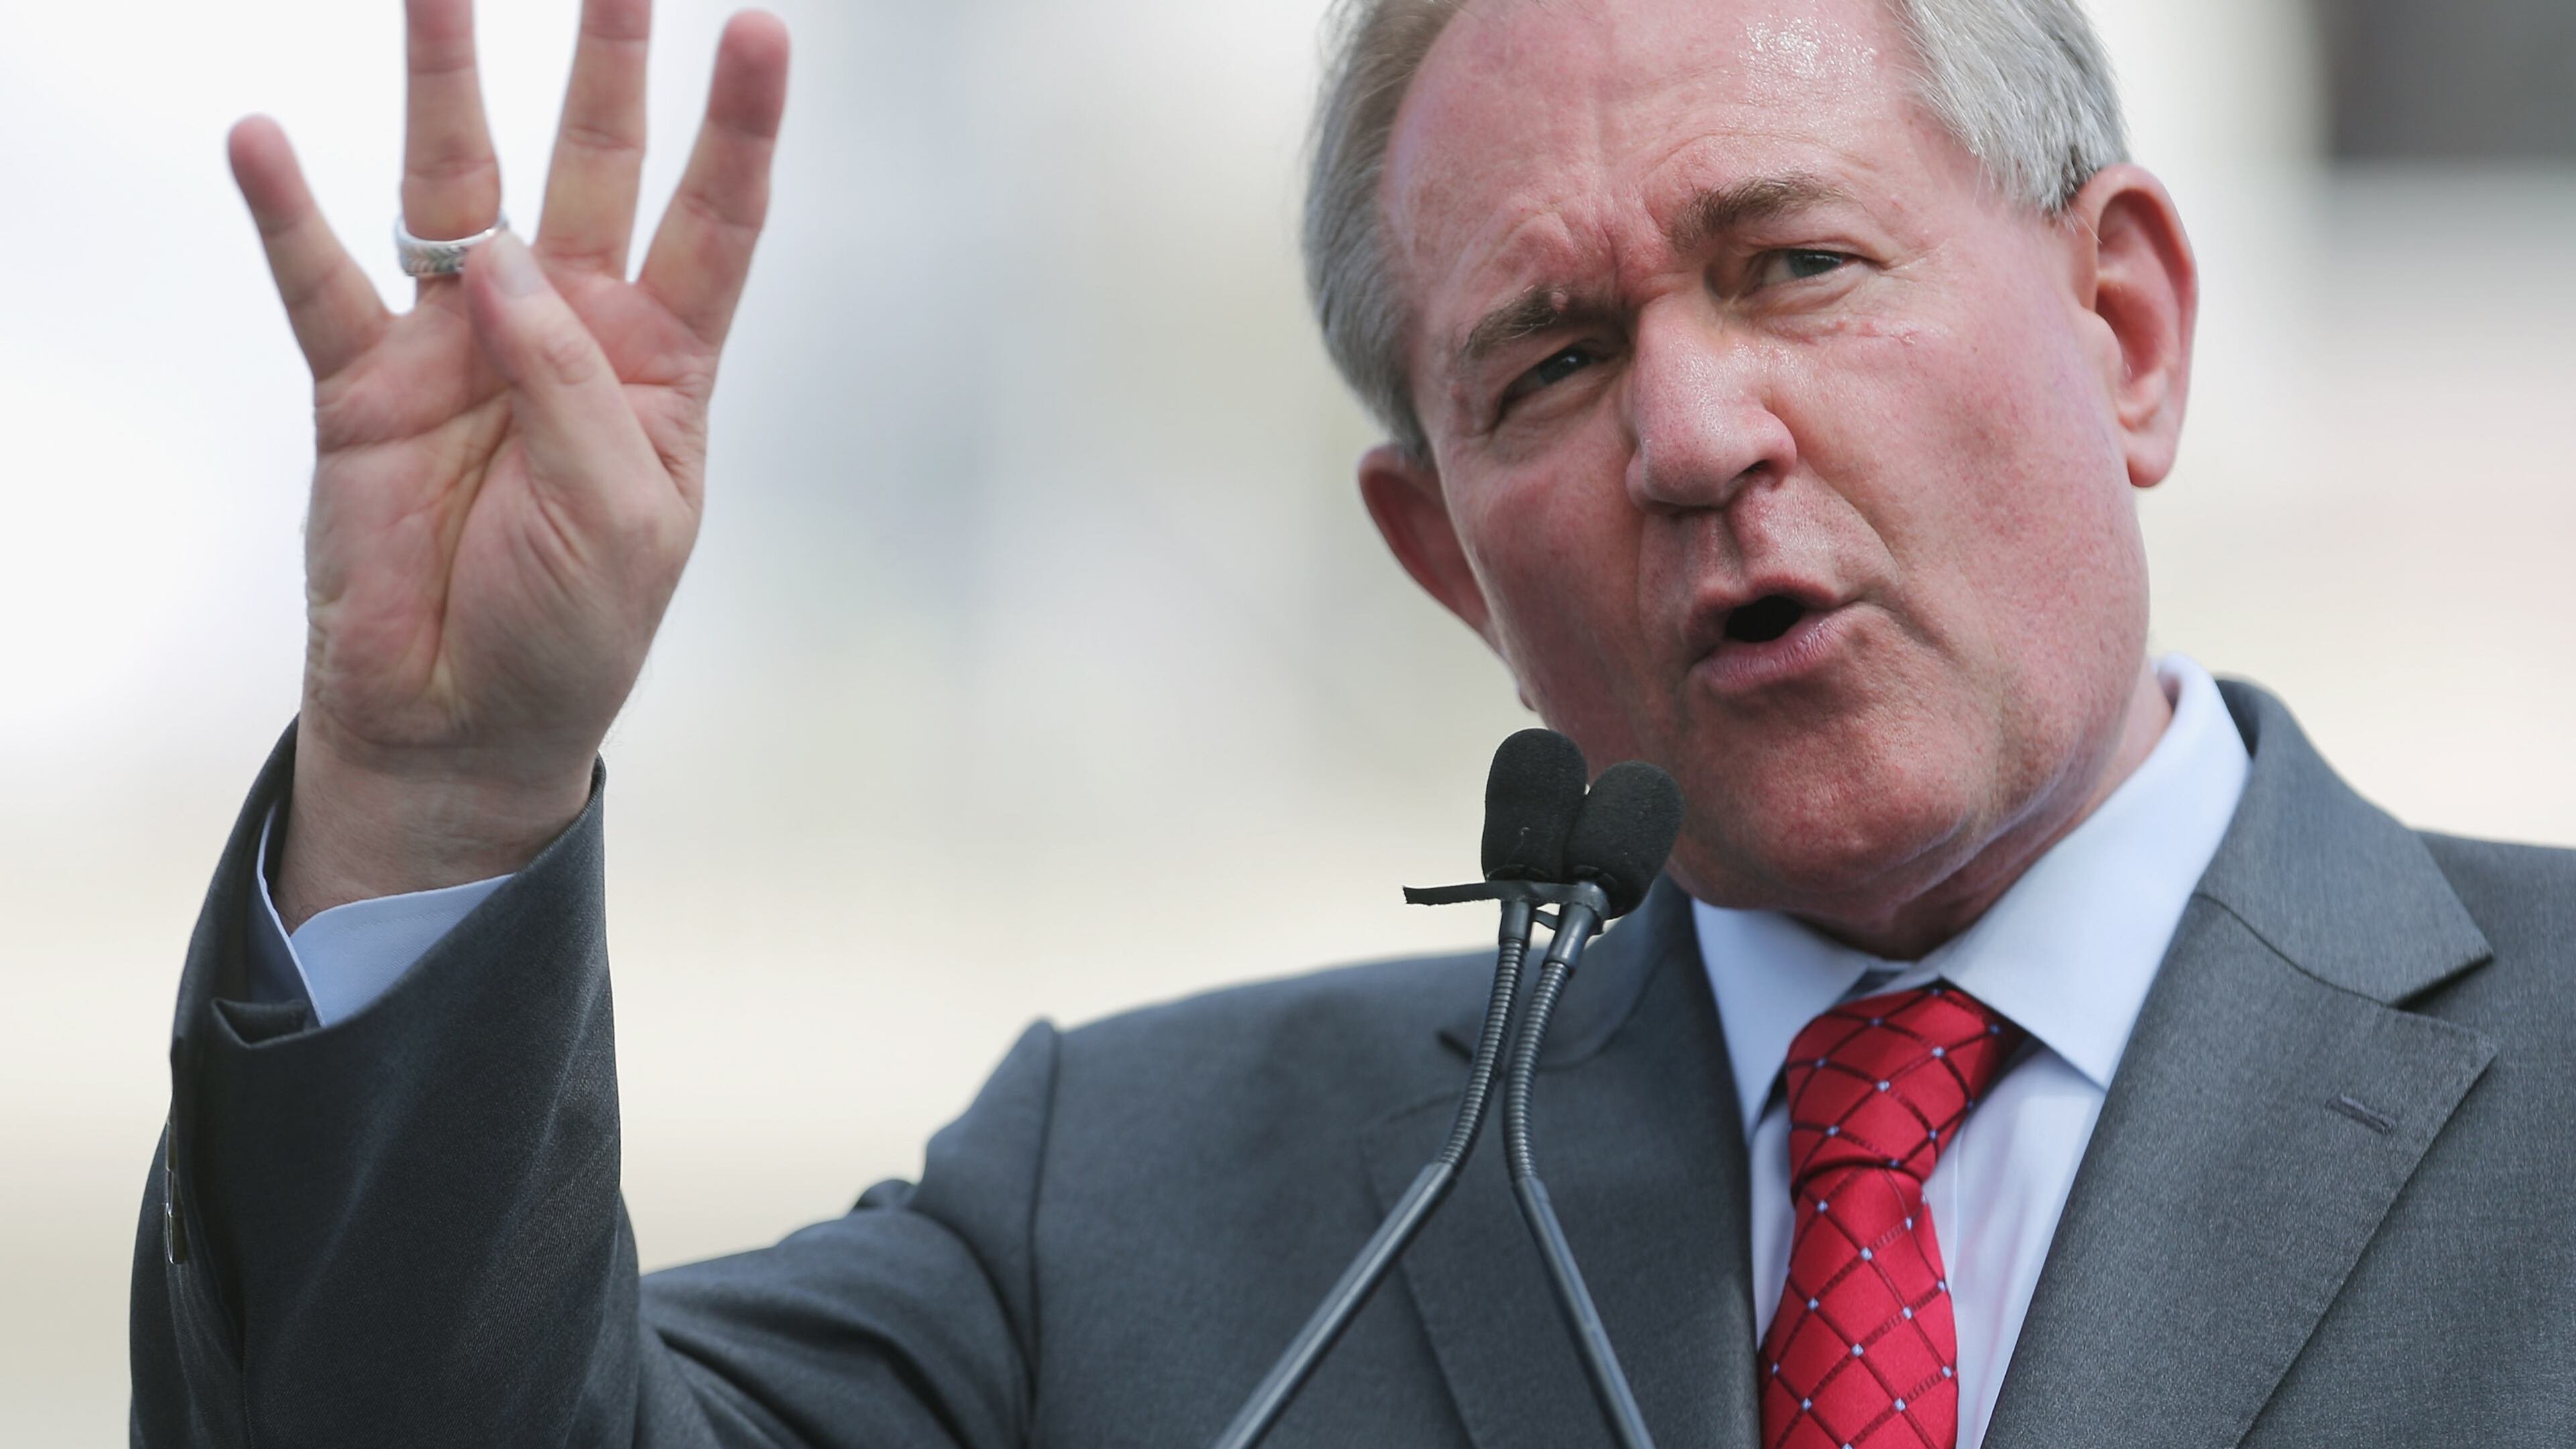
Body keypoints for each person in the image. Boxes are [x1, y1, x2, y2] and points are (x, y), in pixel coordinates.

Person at [131, 0, 2576, 1444]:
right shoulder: (1143, 1212)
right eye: (1556, 360)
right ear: (1446, 562)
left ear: (2126, 326)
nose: (1697, 436)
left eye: (1796, 266)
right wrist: (442, 786)